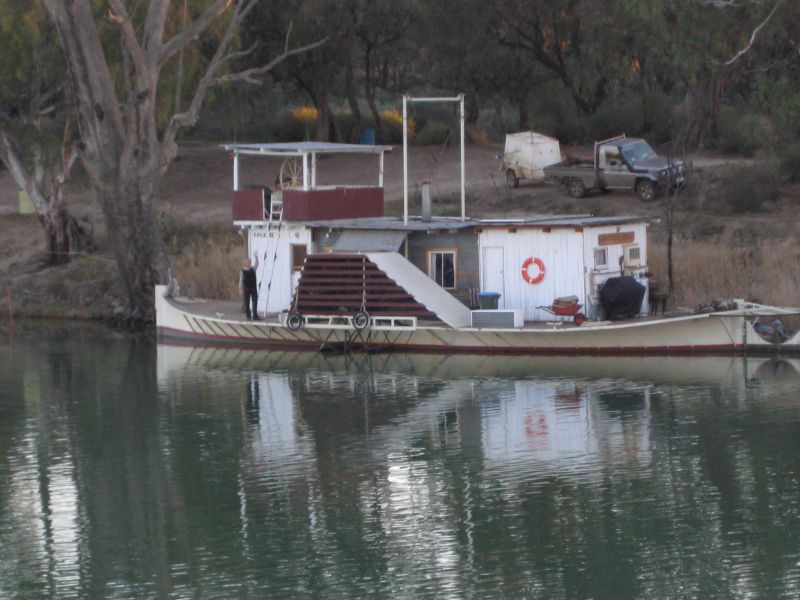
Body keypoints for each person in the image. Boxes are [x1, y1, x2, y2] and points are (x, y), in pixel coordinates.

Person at [239, 255, 259, 320]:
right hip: (246, 288)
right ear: (245, 263)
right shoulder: (242, 271)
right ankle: (248, 316)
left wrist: (256, 256)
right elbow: (241, 280)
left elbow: (257, 263)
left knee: (255, 302)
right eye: (247, 262)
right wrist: (240, 288)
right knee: (246, 303)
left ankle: (255, 315)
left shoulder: (253, 269)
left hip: (253, 288)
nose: (248, 263)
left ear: (250, 262)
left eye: (249, 262)